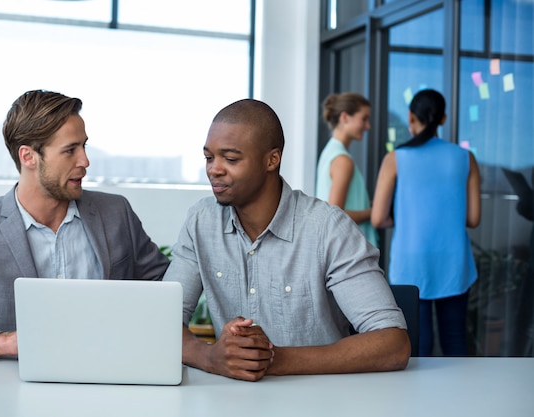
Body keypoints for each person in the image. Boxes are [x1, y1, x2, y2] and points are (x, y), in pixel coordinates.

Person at [0, 90, 169, 361]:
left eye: (84, 146)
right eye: (70, 150)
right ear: (28, 157)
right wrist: (2, 343)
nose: (84, 161)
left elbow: (168, 290)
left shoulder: (116, 213)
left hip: (110, 375)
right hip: (9, 391)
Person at [163, 98, 410, 382]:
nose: (214, 169)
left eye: (230, 159)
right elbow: (162, 323)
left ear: (272, 160)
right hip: (233, 401)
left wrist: (273, 358)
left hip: (322, 400)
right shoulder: (201, 221)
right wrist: (210, 357)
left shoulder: (328, 228)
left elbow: (393, 345)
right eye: (209, 157)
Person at [371, 89, 481, 357]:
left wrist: (407, 216)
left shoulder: (395, 159)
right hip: (454, 263)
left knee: (418, 348)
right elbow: (473, 219)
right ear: (443, 119)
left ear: (411, 116)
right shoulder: (466, 158)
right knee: (456, 343)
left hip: (411, 264)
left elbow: (377, 217)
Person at [316, 93, 379, 248]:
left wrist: (372, 204)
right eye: (364, 119)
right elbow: (337, 213)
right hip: (349, 254)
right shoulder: (342, 160)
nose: (368, 126)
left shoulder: (330, 153)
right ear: (344, 117)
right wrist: (376, 211)